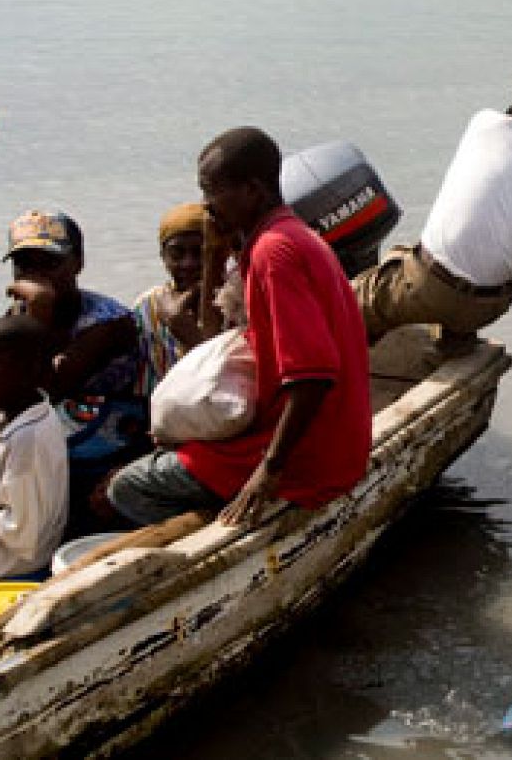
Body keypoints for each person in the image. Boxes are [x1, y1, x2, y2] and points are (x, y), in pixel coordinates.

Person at [107, 127, 373, 528]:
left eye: (212, 191)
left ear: (252, 190)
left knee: (128, 487)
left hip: (310, 460)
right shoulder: (291, 235)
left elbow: (312, 375)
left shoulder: (273, 253)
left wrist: (268, 471)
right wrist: (216, 252)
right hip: (335, 442)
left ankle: (211, 527)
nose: (206, 205)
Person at [353, 74, 512, 382]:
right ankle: (453, 343)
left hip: (429, 285)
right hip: (488, 307)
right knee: (434, 265)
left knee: (347, 303)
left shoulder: (485, 124)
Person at [3, 210, 145, 531]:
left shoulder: (109, 322)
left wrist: (40, 310)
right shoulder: (20, 314)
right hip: (62, 432)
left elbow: (46, 388)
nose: (37, 275)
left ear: (78, 263)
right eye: (26, 265)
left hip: (113, 440)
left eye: (50, 263)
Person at [0, 315, 68, 580]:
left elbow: (21, 533)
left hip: (15, 563)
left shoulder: (26, 441)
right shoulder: (22, 414)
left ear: (32, 372)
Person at [133, 202, 223, 399]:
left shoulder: (233, 301)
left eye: (199, 253)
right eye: (177, 254)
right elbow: (144, 380)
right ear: (163, 256)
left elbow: (223, 375)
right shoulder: (148, 305)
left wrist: (186, 330)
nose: (188, 264)